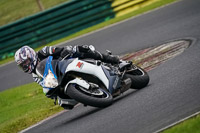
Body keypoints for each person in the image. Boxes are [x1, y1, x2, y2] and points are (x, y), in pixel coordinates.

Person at [15, 45, 120, 109]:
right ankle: (86, 93)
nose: (26, 66)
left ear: (32, 55)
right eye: (22, 65)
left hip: (65, 61)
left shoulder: (44, 52)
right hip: (59, 77)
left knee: (83, 49)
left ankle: (109, 58)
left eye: (26, 62)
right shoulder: (35, 75)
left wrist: (66, 51)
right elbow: (44, 82)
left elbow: (59, 50)